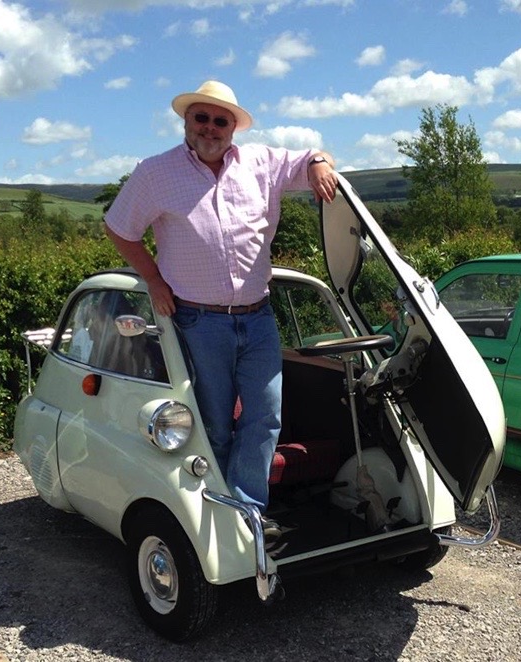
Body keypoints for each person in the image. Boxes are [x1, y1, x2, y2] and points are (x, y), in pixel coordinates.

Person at [104, 80, 338, 536]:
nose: (210, 127)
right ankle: (212, 514)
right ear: (187, 121)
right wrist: (152, 279)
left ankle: (245, 510)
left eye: (220, 120)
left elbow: (308, 157)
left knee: (265, 415)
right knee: (212, 421)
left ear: (233, 126)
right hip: (196, 319)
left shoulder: (260, 163)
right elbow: (118, 228)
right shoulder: (155, 172)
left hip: (258, 317)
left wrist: (320, 163)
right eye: (202, 118)